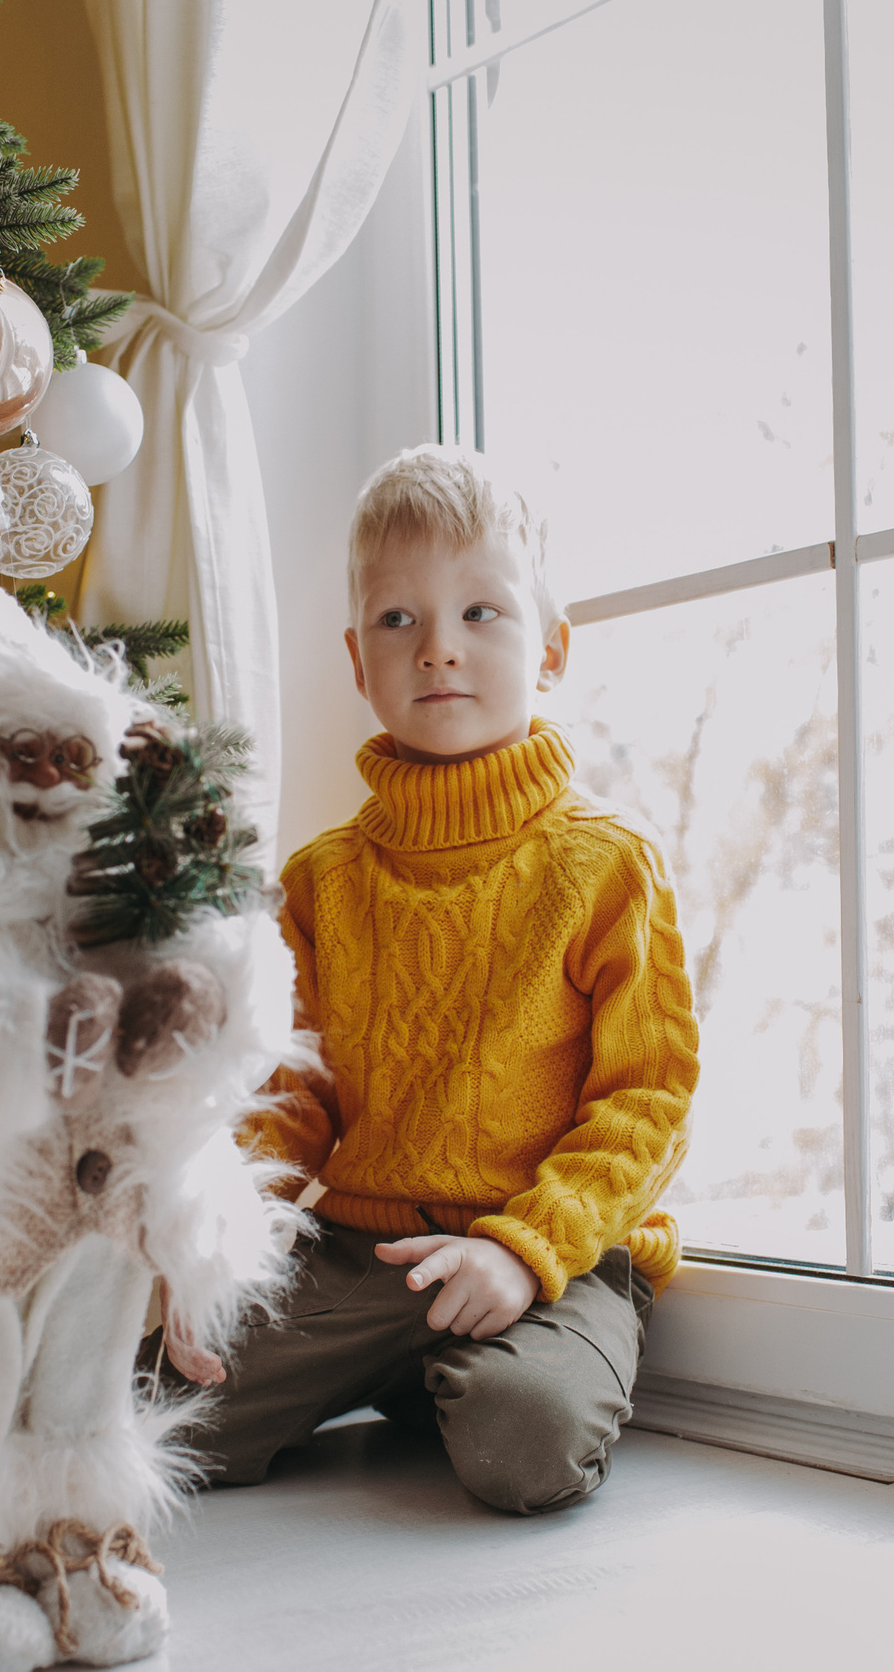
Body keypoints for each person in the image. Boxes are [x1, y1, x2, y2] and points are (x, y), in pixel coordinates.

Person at [145, 444, 699, 1514]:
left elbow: (650, 1096)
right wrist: (218, 1252)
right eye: (398, 619)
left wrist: (526, 1249)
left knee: (523, 1441)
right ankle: (406, 1369)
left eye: (481, 612)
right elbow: (283, 1100)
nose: (439, 647)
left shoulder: (607, 864)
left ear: (551, 649)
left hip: (548, 1255)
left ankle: (464, 1378)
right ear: (359, 663)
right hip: (364, 1254)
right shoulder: (320, 882)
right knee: (153, 1406)